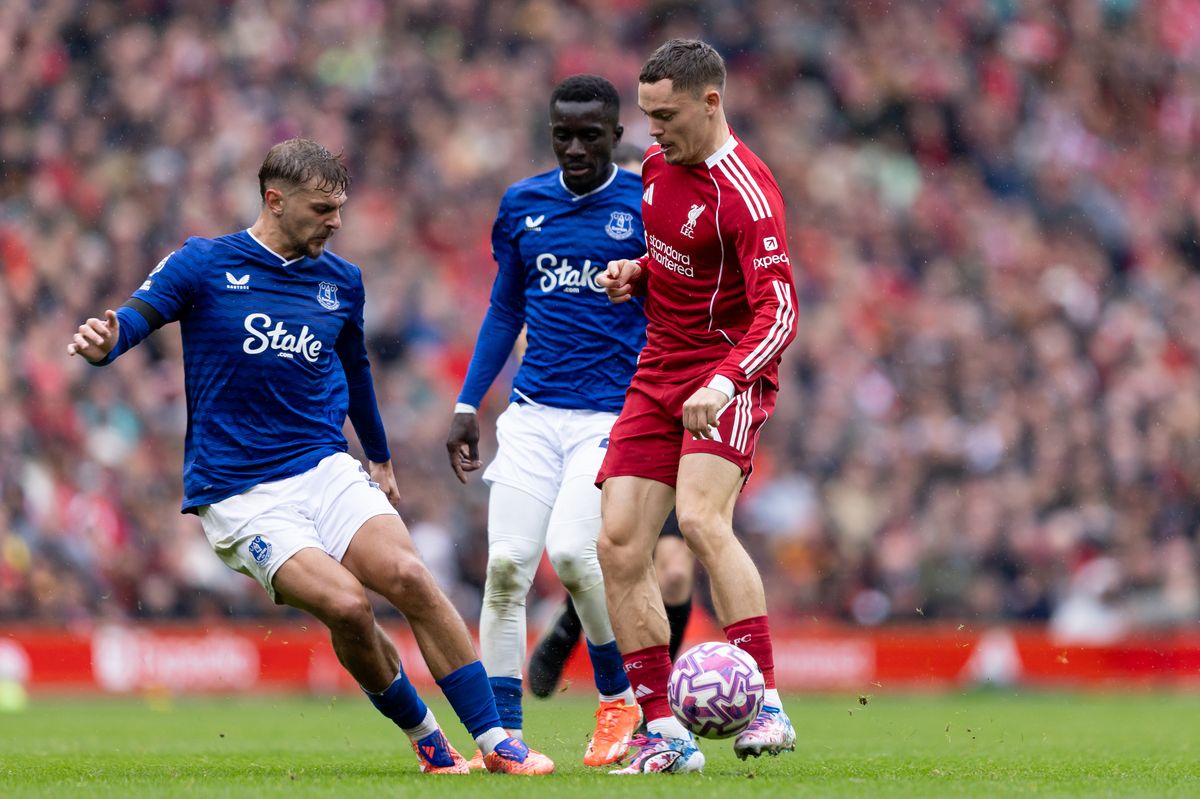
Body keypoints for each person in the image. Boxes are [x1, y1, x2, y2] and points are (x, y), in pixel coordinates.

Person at [67, 138, 553, 776]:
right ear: (275, 200)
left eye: (340, 207)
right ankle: (428, 737)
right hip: (239, 493)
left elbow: (355, 369)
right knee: (349, 605)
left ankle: (497, 743)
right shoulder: (203, 263)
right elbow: (132, 319)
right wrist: (106, 343)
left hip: (323, 466)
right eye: (323, 208)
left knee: (409, 578)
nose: (337, 221)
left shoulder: (341, 281)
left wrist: (377, 456)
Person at [595, 39, 799, 774]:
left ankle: (769, 707)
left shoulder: (747, 191)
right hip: (657, 371)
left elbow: (779, 311)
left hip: (725, 372)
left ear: (710, 102)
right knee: (618, 543)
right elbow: (682, 260)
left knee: (703, 518)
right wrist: (638, 272)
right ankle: (664, 733)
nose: (653, 131)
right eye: (646, 115)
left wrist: (724, 382)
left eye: (666, 116)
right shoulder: (656, 166)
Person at [445, 75, 646, 768]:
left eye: (591, 135)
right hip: (532, 415)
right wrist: (469, 402)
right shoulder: (522, 204)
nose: (575, 147)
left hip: (610, 416)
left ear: (617, 135)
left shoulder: (645, 201)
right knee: (505, 569)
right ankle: (503, 739)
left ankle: (617, 697)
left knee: (571, 553)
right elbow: (506, 307)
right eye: (563, 134)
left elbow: (680, 297)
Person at [527, 143, 697, 701]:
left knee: (671, 570)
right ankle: (638, 692)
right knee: (616, 551)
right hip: (604, 421)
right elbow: (535, 332)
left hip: (668, 415)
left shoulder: (671, 255)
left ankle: (652, 696)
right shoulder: (587, 267)